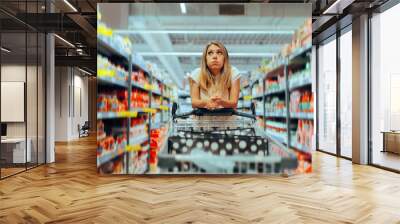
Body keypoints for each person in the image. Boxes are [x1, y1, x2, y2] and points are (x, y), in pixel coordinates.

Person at [188, 41, 241, 110]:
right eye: (210, 53)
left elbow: (234, 103)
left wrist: (220, 102)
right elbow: (194, 102)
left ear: (225, 58)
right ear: (205, 58)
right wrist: (207, 102)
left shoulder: (233, 73)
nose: (215, 56)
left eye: (219, 53)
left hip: (227, 120)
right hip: (203, 120)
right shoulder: (197, 74)